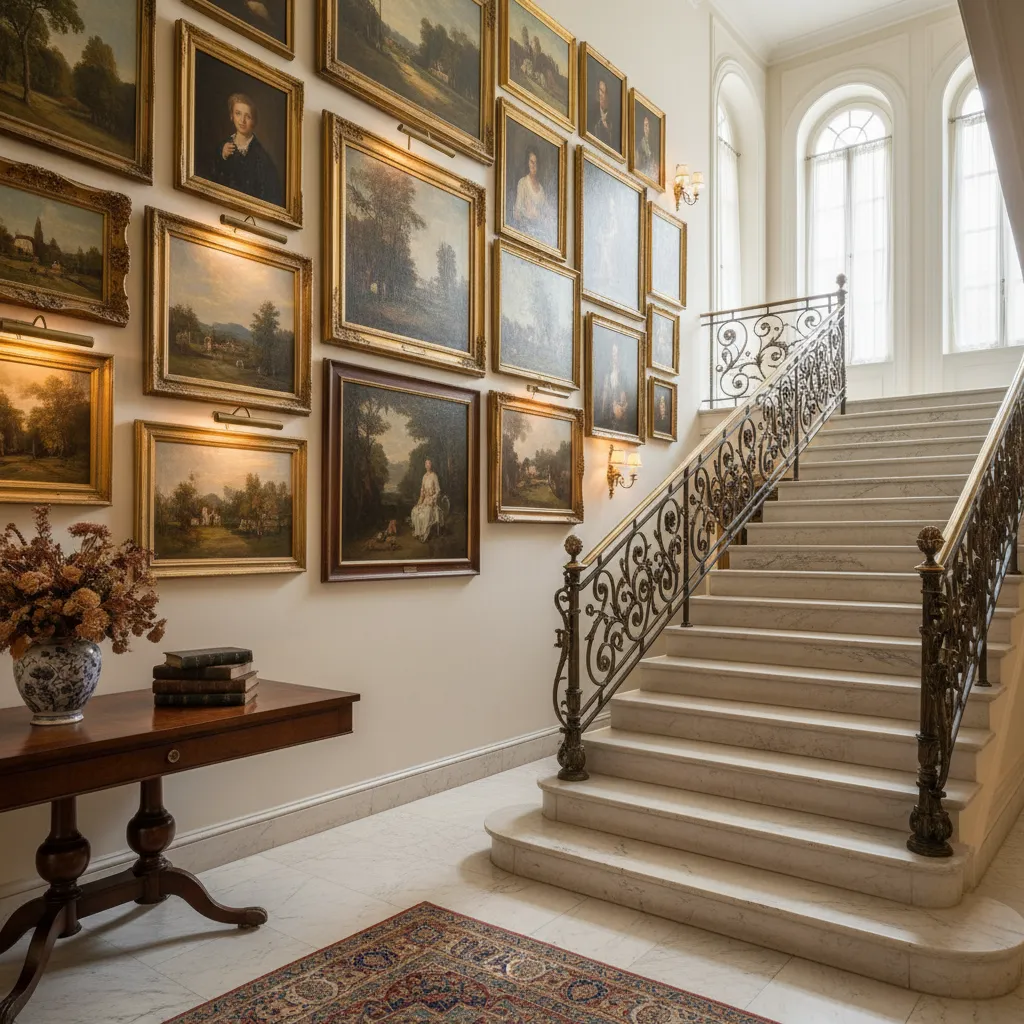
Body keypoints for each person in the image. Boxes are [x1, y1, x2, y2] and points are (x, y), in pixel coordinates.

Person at [211, 93, 283, 207]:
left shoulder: (262, 156)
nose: (242, 120)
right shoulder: (222, 147)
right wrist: (222, 156)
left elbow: (270, 193)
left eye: (248, 116)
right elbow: (213, 177)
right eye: (238, 113)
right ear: (231, 116)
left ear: (253, 121)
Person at [512, 149, 552, 242]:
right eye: (532, 162)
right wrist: (527, 214)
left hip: (538, 232)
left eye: (536, 163)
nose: (534, 166)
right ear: (527, 163)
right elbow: (517, 212)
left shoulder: (541, 189)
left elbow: (546, 210)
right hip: (525, 230)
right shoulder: (523, 183)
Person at [410, 458, 443, 543]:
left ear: (431, 465)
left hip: (432, 502)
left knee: (427, 513)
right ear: (425, 466)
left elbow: (438, 490)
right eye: (426, 464)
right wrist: (420, 502)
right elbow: (422, 491)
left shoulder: (434, 476)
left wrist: (432, 499)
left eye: (429, 464)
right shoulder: (424, 477)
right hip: (425, 500)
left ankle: (424, 534)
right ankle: (419, 533)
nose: (428, 465)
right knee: (415, 511)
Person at [592, 77, 616, 149]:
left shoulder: (613, 118)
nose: (599, 93)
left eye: (602, 91)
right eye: (599, 90)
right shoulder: (592, 112)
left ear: (608, 96)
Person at [638, 114, 657, 179]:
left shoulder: (654, 142)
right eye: (644, 125)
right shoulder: (641, 144)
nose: (645, 128)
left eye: (647, 125)